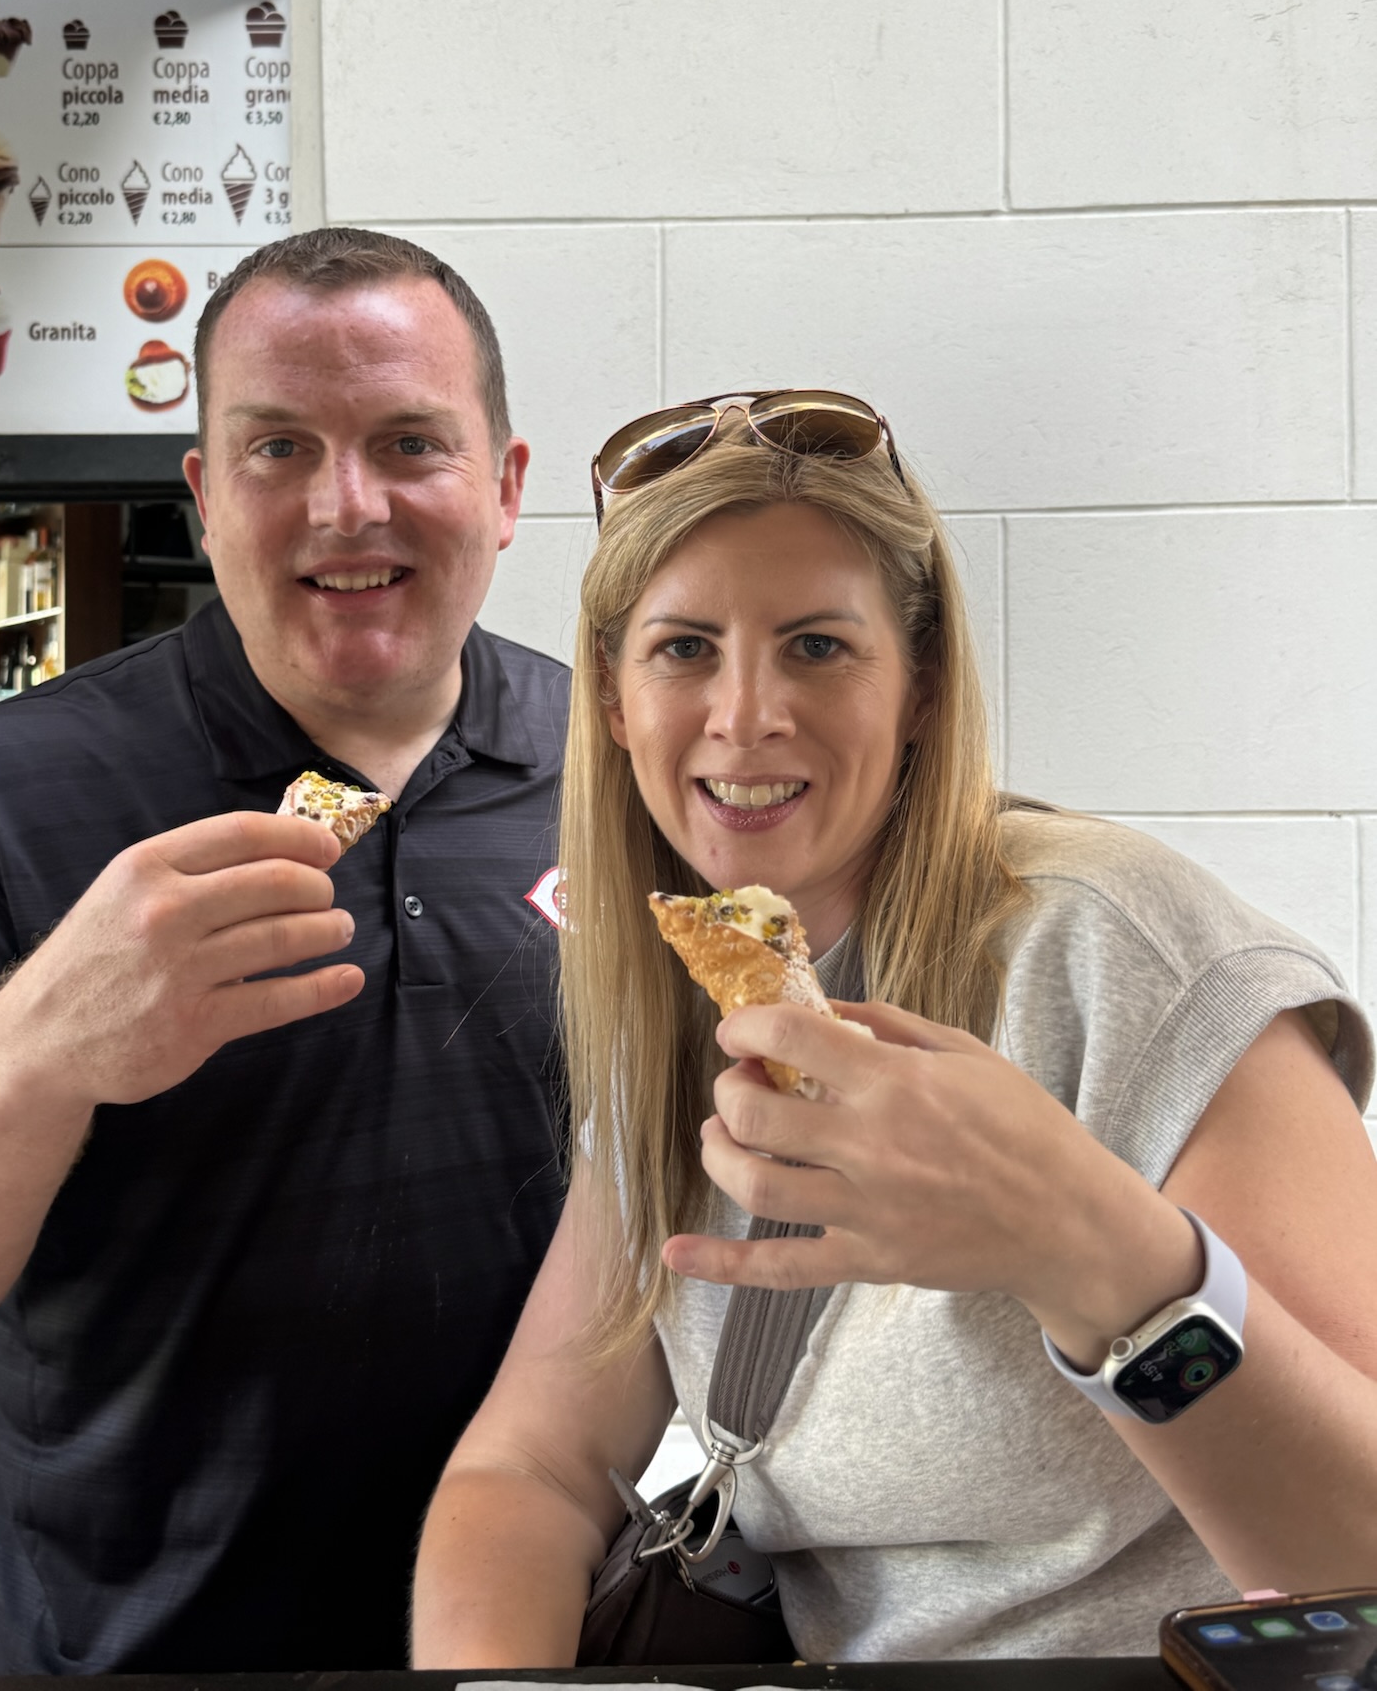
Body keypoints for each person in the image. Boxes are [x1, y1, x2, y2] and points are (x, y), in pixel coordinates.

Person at [412, 389, 1377, 1665]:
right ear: (610, 699)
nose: (745, 713)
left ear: (921, 687)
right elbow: (531, 1466)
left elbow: (1356, 1561)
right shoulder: (678, 1008)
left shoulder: (1116, 948)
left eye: (816, 645)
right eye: (684, 646)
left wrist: (1089, 1251)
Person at [0, 229, 570, 1673]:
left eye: (409, 443)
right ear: (202, 495)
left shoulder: (623, 773)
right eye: (277, 449)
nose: (347, 505)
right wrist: (44, 1041)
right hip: (124, 1652)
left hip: (533, 1638)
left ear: (504, 489)